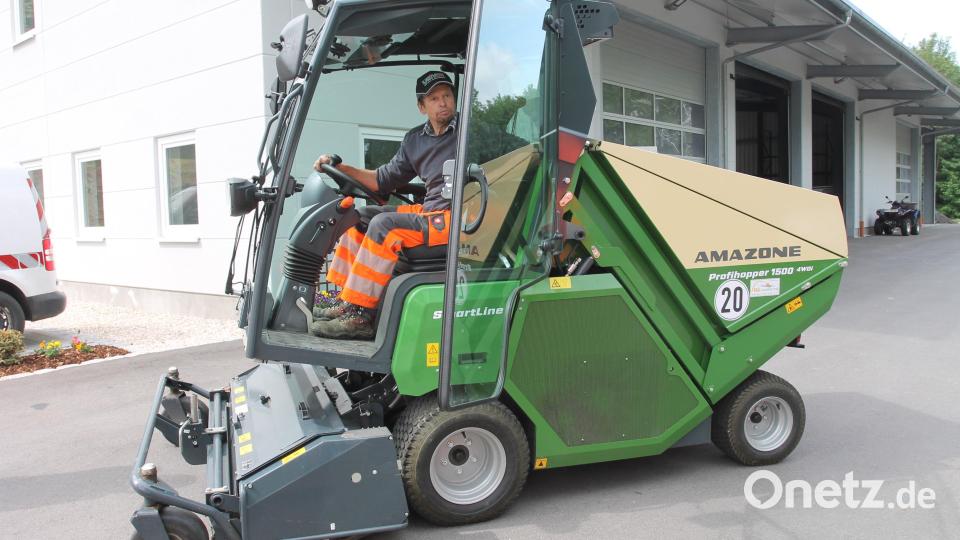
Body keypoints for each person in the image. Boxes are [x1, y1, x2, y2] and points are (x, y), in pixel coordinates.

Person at [311, 70, 458, 340]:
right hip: (429, 213)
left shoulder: (470, 131)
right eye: (434, 98)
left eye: (447, 96)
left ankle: (361, 316)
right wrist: (340, 168)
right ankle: (345, 299)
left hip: (458, 218)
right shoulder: (415, 140)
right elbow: (382, 180)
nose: (443, 103)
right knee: (360, 218)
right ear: (421, 106)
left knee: (384, 225)